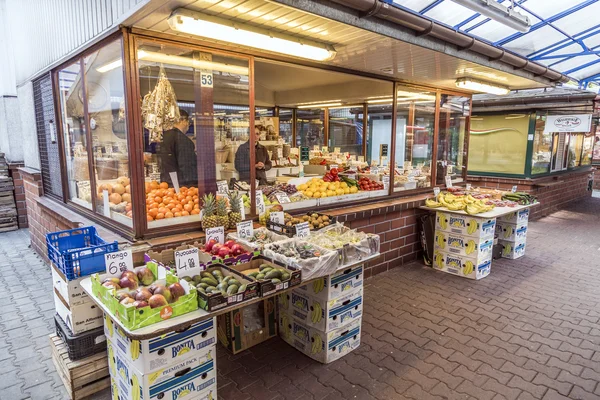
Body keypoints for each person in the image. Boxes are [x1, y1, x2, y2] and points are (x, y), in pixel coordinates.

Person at [157, 110, 198, 187]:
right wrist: (193, 186)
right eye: (188, 122)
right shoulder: (183, 140)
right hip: (180, 186)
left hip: (165, 183)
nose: (188, 126)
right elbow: (187, 167)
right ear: (183, 121)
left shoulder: (163, 137)